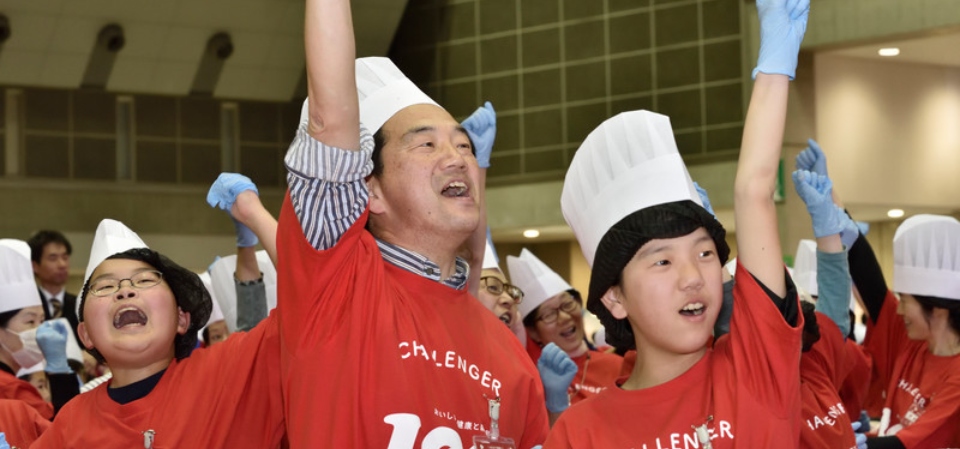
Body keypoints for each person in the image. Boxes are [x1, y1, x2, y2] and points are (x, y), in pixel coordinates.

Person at [274, 0, 548, 446]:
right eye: (426, 144)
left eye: (463, 146)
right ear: (370, 191)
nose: (457, 159)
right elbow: (330, 124)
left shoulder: (513, 363)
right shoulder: (337, 287)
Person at [544, 0, 808, 445]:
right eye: (662, 261)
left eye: (704, 253)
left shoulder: (755, 370)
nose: (693, 277)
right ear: (614, 296)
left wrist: (775, 65)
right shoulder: (580, 432)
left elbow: (755, 190)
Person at [31, 219, 285, 448]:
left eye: (144, 280)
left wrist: (254, 214)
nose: (125, 291)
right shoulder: (71, 423)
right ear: (86, 335)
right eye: (106, 286)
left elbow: (308, 307)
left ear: (182, 318)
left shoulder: (233, 371)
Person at [842, 214, 960, 448]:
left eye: (905, 301)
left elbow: (913, 442)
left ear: (937, 310)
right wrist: (842, 222)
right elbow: (873, 289)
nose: (899, 311)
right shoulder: (911, 343)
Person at [508, 249, 623, 406]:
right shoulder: (533, 378)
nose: (564, 317)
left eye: (567, 304)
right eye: (548, 314)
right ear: (533, 332)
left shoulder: (617, 365)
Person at [0, 239, 54, 420]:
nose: (40, 331)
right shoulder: (11, 389)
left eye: (42, 320)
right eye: (30, 322)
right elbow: (61, 429)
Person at [26, 230, 79, 335]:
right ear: (34, 266)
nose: (62, 264)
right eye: (53, 258)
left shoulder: (79, 305)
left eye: (65, 257)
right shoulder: (27, 306)